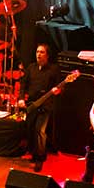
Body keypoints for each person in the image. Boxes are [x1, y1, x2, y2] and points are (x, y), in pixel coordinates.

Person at [17, 43, 62, 172]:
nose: (39, 54)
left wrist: (58, 90)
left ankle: (40, 159)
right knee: (31, 129)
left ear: (47, 55)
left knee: (40, 130)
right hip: (32, 104)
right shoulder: (31, 68)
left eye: (42, 52)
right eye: (37, 52)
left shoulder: (54, 69)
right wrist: (21, 98)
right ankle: (33, 154)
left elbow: (60, 86)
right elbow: (23, 84)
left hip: (46, 105)